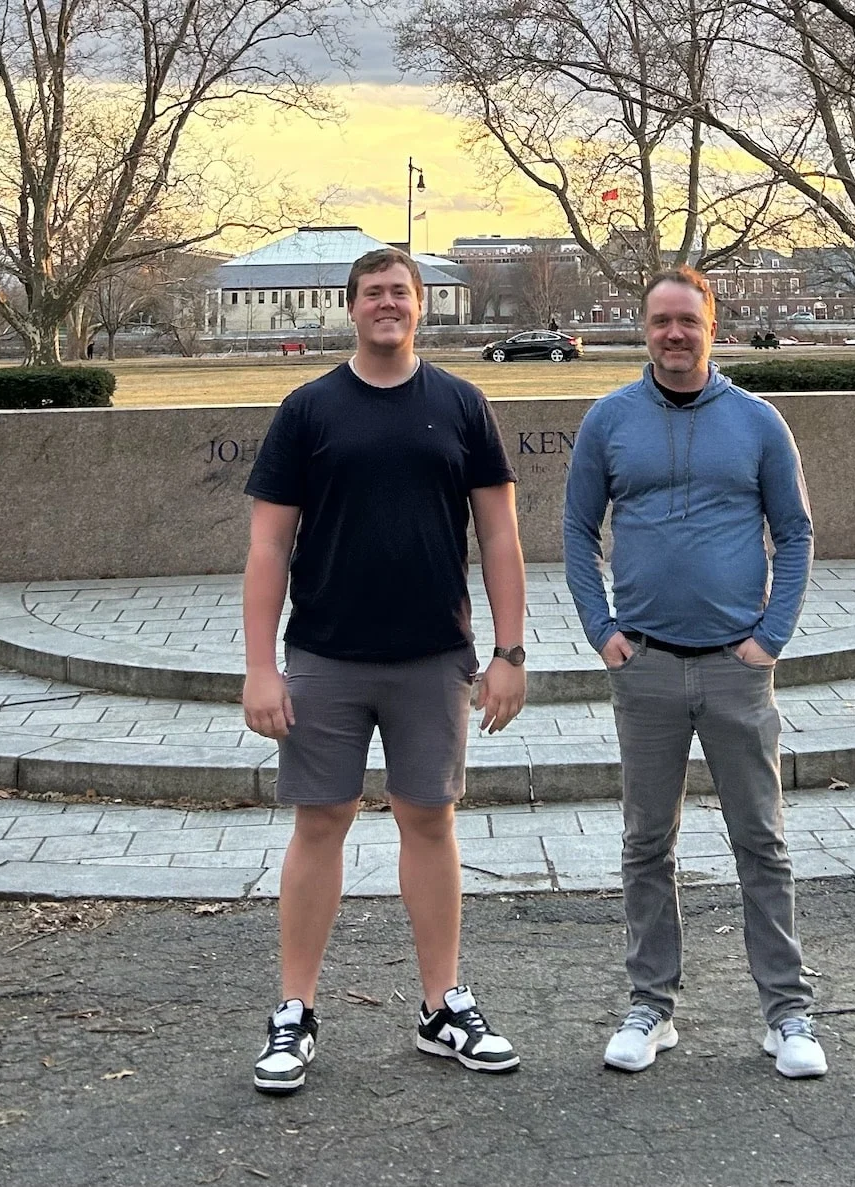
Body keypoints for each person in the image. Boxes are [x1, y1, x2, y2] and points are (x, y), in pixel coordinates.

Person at [241, 246, 530, 1096]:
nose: (388, 305)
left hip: (434, 655)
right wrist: (262, 667)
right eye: (373, 293)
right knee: (320, 821)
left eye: (400, 292)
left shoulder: (463, 405)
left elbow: (503, 538)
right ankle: (294, 1011)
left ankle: (444, 1004)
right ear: (351, 307)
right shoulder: (308, 410)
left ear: (421, 305)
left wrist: (509, 653)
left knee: (430, 819)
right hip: (326, 655)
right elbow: (267, 546)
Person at [563, 266, 826, 1079]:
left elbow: (796, 531)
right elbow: (576, 531)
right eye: (659, 322)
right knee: (647, 842)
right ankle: (651, 1005)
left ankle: (787, 1014)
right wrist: (602, 631)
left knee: (762, 841)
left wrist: (770, 638)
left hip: (734, 670)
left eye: (688, 321)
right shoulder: (610, 420)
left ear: (713, 325)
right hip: (644, 668)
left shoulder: (756, 423)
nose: (673, 334)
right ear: (644, 329)